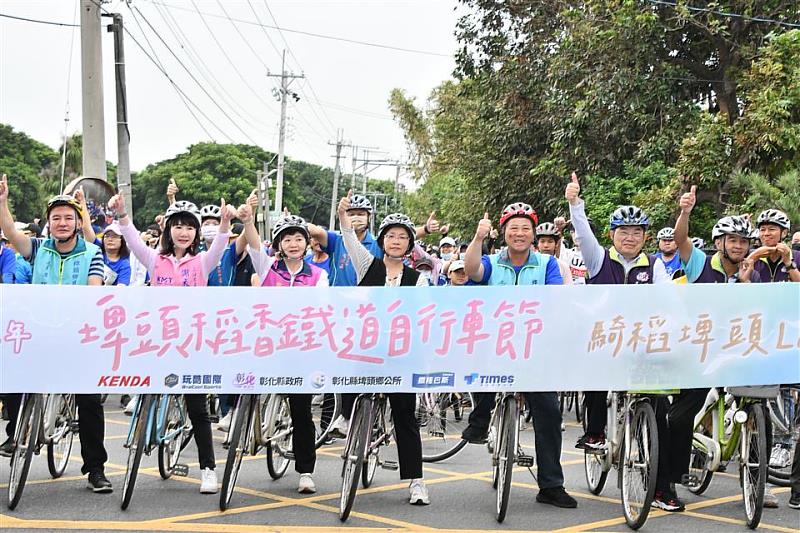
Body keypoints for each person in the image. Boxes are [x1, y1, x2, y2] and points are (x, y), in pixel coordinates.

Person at [566, 172, 693, 512]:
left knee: (660, 414)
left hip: (643, 348)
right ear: (613, 235)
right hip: (605, 343)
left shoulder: (654, 266)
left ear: (646, 237)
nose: (630, 238)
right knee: (595, 372)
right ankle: (594, 432)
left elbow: (671, 300)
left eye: (637, 232)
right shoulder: (598, 260)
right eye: (624, 232)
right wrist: (575, 204)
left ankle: (662, 487)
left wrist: (678, 325)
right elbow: (584, 236)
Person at [109, 191, 236, 495]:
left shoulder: (201, 263)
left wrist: (225, 224)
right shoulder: (156, 259)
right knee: (144, 387)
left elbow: (219, 247)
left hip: (192, 343)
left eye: (190, 227)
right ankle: (143, 420)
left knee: (197, 408)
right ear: (168, 230)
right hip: (158, 341)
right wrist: (123, 213)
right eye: (177, 226)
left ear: (195, 233)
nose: (183, 232)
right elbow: (133, 240)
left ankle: (208, 469)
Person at [0, 175, 112, 493]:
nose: (62, 223)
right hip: (39, 334)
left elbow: (95, 291)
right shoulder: (38, 248)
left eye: (68, 218)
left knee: (89, 401)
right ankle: (16, 432)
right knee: (10, 372)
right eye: (56, 218)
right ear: (48, 223)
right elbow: (10, 232)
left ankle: (95, 469)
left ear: (78, 222)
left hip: (78, 337)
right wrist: (2, 202)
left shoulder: (93, 253)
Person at [462, 201, 577, 509]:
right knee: (477, 362)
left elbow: (554, 298)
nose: (520, 233)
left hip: (533, 347)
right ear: (503, 232)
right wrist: (477, 238)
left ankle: (551, 485)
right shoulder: (491, 260)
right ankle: (480, 418)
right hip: (495, 342)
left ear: (533, 232)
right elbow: (472, 270)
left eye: (526, 228)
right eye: (514, 228)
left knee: (549, 413)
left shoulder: (546, 264)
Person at [337, 190, 430, 506]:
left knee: (405, 416)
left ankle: (415, 481)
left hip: (400, 354)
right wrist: (343, 216)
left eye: (403, 237)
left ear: (409, 245)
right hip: (367, 348)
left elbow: (422, 313)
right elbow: (349, 238)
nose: (396, 241)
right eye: (391, 236)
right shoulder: (369, 266)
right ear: (382, 240)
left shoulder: (417, 279)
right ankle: (347, 425)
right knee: (349, 380)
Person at [238, 204, 327, 494]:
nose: (293, 243)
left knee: (301, 411)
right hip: (267, 346)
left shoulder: (318, 275)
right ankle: (245, 432)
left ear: (306, 243)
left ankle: (305, 470)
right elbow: (252, 242)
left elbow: (322, 308)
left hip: (300, 351)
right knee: (246, 387)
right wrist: (248, 221)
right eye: (286, 239)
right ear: (278, 244)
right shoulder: (267, 268)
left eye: (298, 238)